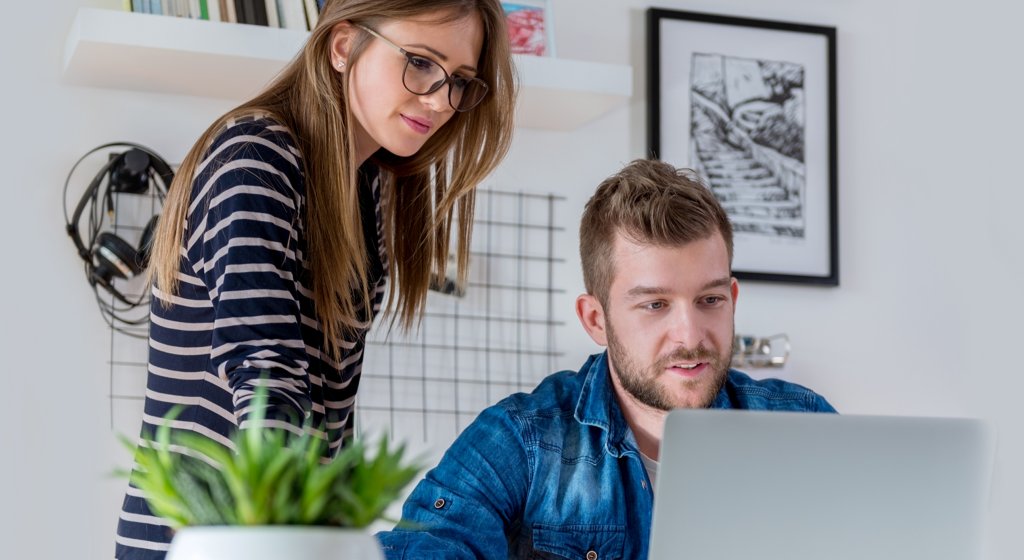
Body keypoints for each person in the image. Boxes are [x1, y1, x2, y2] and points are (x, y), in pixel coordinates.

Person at [114, 0, 515, 557]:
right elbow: (266, 384)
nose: (442, 100)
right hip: (213, 544)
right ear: (343, 45)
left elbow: (327, 417)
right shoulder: (253, 161)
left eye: (461, 82)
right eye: (421, 62)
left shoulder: (367, 187)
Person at [377, 159, 836, 559]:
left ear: (732, 298)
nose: (691, 335)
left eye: (710, 300)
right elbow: (427, 548)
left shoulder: (801, 424)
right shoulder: (522, 442)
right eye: (655, 305)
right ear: (595, 319)